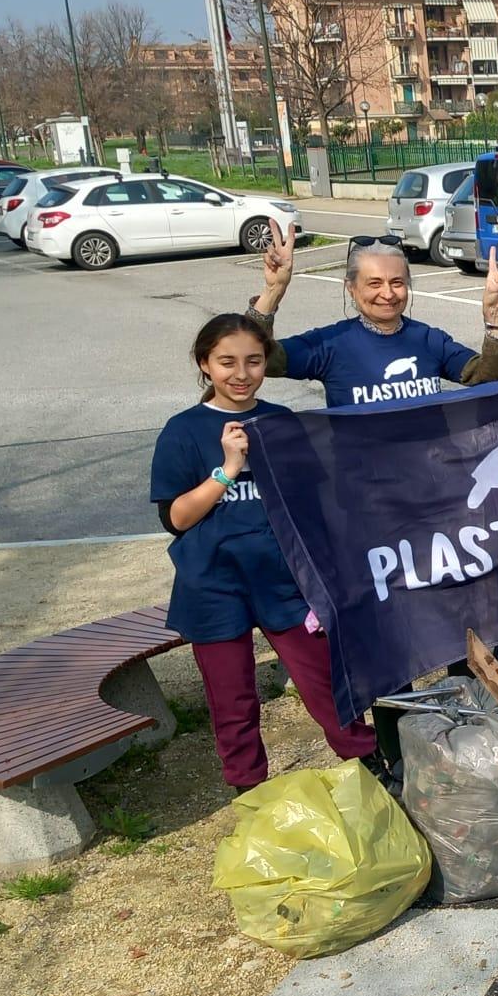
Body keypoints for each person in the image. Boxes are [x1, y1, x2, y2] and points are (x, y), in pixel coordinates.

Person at [150, 314, 378, 790]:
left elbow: (313, 504)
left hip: (285, 580)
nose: (241, 373)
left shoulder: (279, 422)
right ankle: (250, 793)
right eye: (226, 361)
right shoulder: (183, 430)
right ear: (204, 364)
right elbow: (177, 518)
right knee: (232, 701)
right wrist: (228, 468)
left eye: (253, 361)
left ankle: (373, 772)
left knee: (327, 686)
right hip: (213, 585)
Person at [247, 227, 498, 406]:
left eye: (397, 282)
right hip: (362, 485)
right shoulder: (330, 343)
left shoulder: (429, 340)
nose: (388, 293)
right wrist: (272, 292)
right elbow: (260, 361)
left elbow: (488, 378)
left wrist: (493, 315)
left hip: (427, 481)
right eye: (374, 283)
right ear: (351, 288)